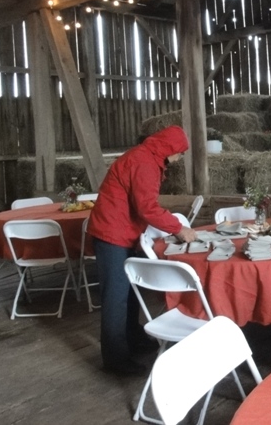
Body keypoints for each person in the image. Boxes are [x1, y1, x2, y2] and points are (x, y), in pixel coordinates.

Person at [87, 125, 197, 375]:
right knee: (116, 298)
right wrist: (178, 228)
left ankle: (133, 339)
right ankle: (115, 360)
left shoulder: (146, 156)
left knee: (131, 292)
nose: (179, 158)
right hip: (111, 234)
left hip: (123, 232)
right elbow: (146, 207)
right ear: (170, 148)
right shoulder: (144, 162)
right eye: (179, 152)